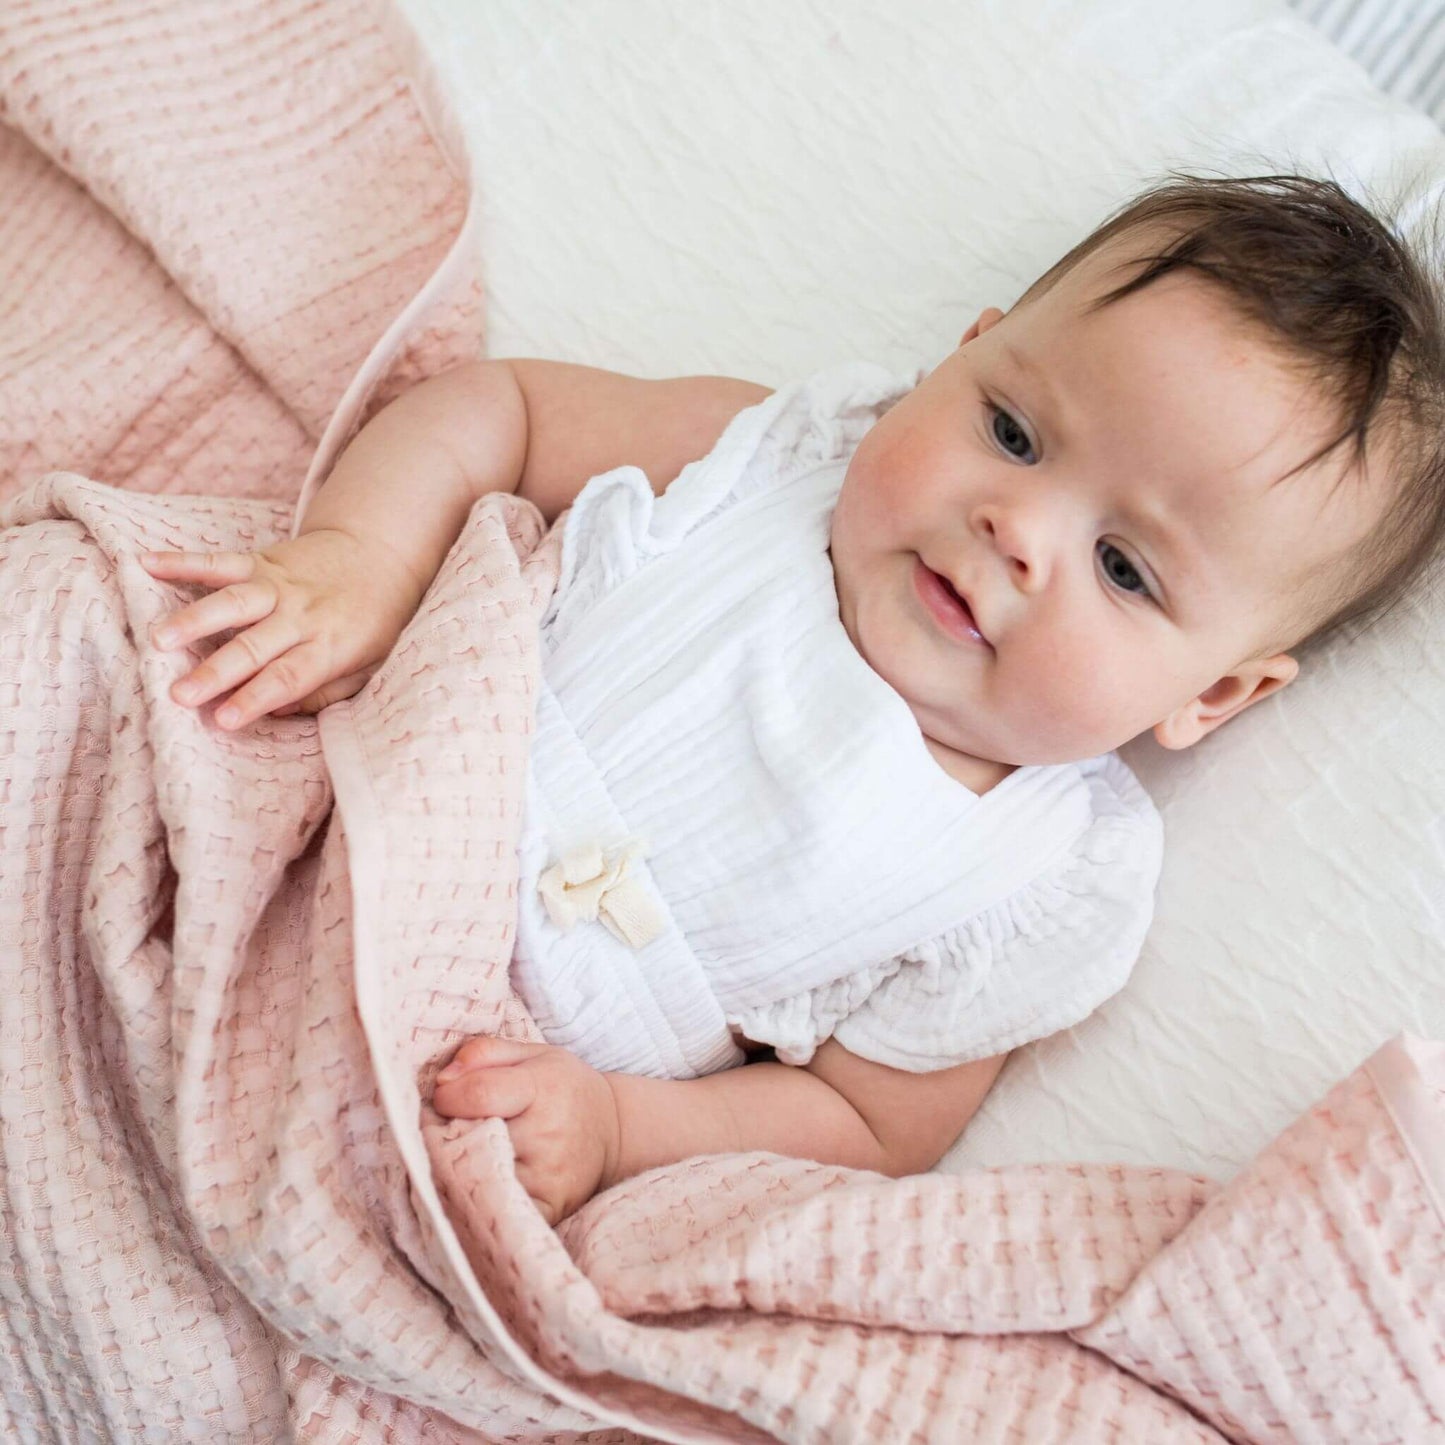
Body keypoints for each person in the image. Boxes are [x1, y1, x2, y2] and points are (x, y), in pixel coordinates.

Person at [140, 174, 1445, 1223]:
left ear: (1211, 691)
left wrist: (614, 1125)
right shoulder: (773, 461)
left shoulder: (1033, 884)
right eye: (1010, 432)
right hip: (301, 799)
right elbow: (503, 409)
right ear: (962, 353)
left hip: (452, 1086)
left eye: (1120, 566)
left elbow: (862, 1123)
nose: (1014, 529)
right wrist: (359, 564)